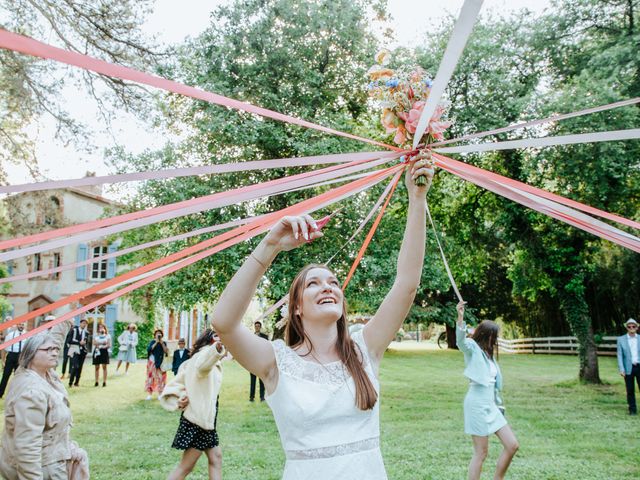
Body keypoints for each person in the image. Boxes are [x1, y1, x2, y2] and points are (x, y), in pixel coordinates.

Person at [211, 153, 433, 479]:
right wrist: (270, 244)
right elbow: (223, 322)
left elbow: (407, 284)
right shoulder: (275, 362)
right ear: (296, 307)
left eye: (332, 282)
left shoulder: (365, 349)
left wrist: (417, 199)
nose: (327, 287)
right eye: (313, 283)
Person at [0, 318, 89, 479]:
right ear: (31, 354)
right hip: (44, 468)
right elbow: (27, 446)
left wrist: (69, 315)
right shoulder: (31, 392)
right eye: (48, 350)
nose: (54, 352)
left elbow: (53, 338)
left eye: (55, 349)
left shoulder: (43, 373)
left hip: (51, 460)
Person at [456, 301, 519, 480]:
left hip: (490, 405)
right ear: (486, 335)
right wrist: (460, 316)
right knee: (481, 453)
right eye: (494, 336)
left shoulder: (489, 356)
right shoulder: (473, 349)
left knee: (512, 445)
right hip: (475, 404)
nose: (496, 339)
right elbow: (461, 341)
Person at [161, 329, 226, 480]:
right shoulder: (203, 355)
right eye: (217, 335)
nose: (221, 338)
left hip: (206, 420)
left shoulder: (200, 358)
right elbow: (202, 367)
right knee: (185, 467)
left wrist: (184, 396)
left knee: (216, 458)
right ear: (208, 340)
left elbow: (185, 382)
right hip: (198, 421)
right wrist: (216, 349)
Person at [617, 318, 640, 415]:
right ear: (626, 328)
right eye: (629, 326)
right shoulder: (621, 339)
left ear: (637, 327)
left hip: (639, 367)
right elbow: (620, 355)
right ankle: (632, 410)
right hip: (628, 368)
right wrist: (621, 369)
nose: (631, 328)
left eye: (633, 326)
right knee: (630, 390)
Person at [0, 321, 26, 398]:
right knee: (5, 376)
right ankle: (0, 393)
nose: (21, 326)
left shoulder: (27, 335)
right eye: (20, 324)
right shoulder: (10, 335)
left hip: (21, 357)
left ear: (25, 325)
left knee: (20, 377)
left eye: (22, 324)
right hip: (11, 356)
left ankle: (18, 394)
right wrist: (3, 360)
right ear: (17, 325)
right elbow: (4, 349)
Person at [145, 329, 169, 400]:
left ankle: (160, 393)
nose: (158, 335)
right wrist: (156, 342)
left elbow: (166, 351)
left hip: (161, 362)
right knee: (150, 378)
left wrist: (161, 343)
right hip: (152, 362)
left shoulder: (164, 342)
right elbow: (149, 349)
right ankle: (149, 394)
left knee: (161, 378)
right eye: (157, 334)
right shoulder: (152, 342)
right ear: (155, 335)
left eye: (160, 334)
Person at [67, 319, 91, 388]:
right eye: (83, 323)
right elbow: (69, 341)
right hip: (75, 350)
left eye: (85, 324)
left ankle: (77, 383)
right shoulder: (74, 330)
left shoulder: (86, 332)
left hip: (82, 351)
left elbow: (86, 342)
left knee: (80, 367)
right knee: (75, 366)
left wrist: (85, 349)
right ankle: (70, 383)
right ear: (80, 323)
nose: (84, 325)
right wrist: (79, 342)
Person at [249, 321, 268, 402]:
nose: (257, 327)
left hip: (261, 362)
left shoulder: (265, 337)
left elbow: (267, 348)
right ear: (254, 327)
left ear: (260, 327)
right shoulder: (250, 337)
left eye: (258, 326)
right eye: (255, 326)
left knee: (262, 380)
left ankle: (262, 397)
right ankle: (251, 397)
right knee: (252, 381)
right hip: (253, 362)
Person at [92, 323, 112, 387]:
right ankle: (96, 381)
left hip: (104, 351)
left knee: (104, 366)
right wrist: (102, 342)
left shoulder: (108, 335)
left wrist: (102, 344)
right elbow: (94, 343)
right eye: (100, 327)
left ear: (105, 328)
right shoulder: (96, 335)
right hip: (97, 351)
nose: (101, 328)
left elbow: (109, 344)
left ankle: (104, 381)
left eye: (102, 327)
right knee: (97, 367)